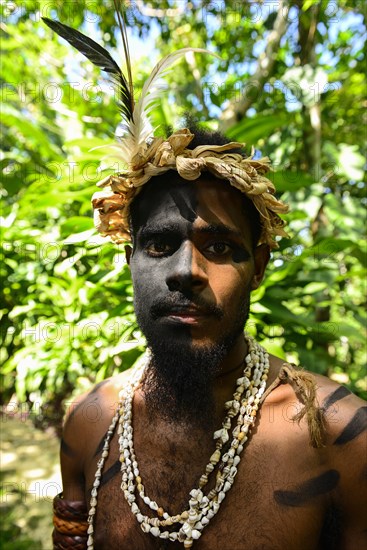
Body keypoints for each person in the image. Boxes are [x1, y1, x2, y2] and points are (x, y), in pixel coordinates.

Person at [42, 17, 366, 550]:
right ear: (129, 258)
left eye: (219, 247)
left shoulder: (339, 439)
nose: (187, 270)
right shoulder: (88, 424)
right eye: (159, 244)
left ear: (258, 266)